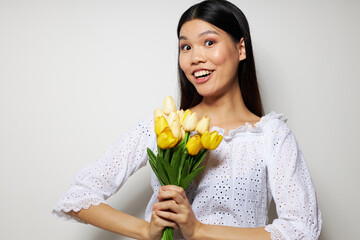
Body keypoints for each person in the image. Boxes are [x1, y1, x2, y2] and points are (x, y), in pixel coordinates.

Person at [53, 0, 322, 239]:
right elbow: (79, 196)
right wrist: (146, 231)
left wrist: (198, 230)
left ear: (241, 49)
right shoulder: (167, 125)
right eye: (185, 46)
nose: (195, 58)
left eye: (209, 42)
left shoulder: (270, 135)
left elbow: (302, 228)